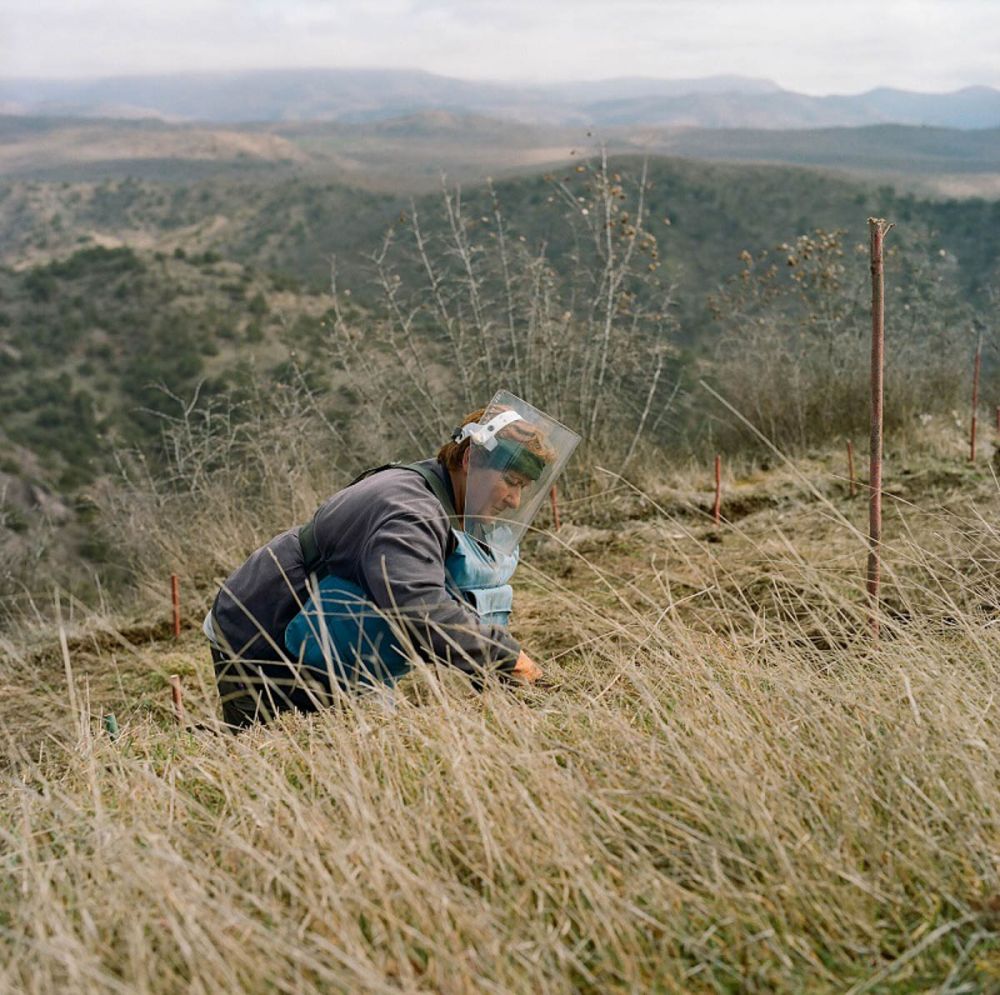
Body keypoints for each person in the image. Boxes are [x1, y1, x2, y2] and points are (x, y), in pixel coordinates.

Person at [204, 390, 579, 727]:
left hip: (334, 634)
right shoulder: (409, 511)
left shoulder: (448, 498)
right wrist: (505, 659)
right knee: (280, 749)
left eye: (523, 489)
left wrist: (491, 673)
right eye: (511, 482)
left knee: (367, 737)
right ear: (470, 459)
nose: (514, 500)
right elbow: (420, 608)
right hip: (261, 628)